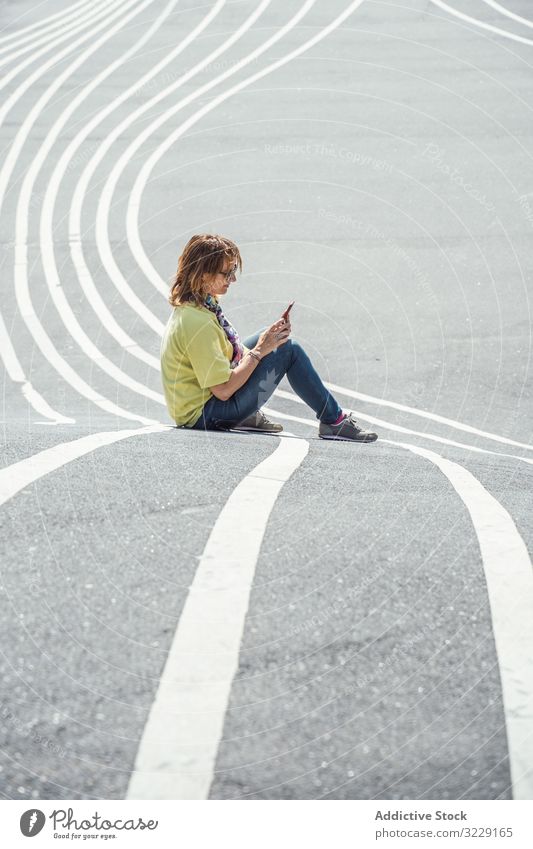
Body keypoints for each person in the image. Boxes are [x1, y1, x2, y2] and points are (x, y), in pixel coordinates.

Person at [160, 234, 378, 442]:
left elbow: (229, 354)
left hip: (204, 403)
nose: (233, 278)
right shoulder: (198, 323)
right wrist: (260, 351)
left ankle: (248, 414)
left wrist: (268, 340)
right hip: (206, 414)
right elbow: (224, 390)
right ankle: (333, 420)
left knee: (273, 339)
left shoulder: (199, 306)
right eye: (226, 273)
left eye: (233, 270)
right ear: (203, 275)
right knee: (288, 350)